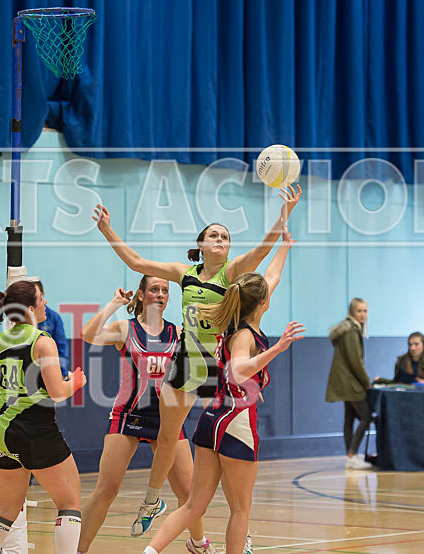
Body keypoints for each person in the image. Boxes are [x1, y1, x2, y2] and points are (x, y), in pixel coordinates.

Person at [92, 184, 301, 537]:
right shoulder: (184, 273)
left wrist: (285, 215)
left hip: (219, 365)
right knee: (167, 437)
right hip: (186, 362)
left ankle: (242, 527)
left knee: (228, 439)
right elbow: (137, 262)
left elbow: (263, 251)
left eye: (225, 236)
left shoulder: (232, 272)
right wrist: (108, 230)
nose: (220, 239)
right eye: (213, 235)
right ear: (201, 245)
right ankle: (153, 501)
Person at [143, 231, 304, 554]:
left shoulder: (232, 322)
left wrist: (285, 246)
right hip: (237, 421)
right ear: (263, 303)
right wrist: (278, 349)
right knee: (240, 510)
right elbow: (239, 370)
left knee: (193, 506)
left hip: (211, 417)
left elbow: (270, 275)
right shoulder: (244, 333)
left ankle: (150, 551)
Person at [78, 277, 218, 554]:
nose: (161, 294)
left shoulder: (178, 334)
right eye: (154, 289)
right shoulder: (125, 329)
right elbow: (88, 334)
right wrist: (115, 304)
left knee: (188, 494)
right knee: (106, 489)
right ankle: (78, 550)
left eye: (165, 290)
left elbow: (205, 365)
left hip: (168, 419)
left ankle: (198, 544)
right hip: (128, 415)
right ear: (141, 295)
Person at [0, 280, 87, 554]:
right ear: (32, 308)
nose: (46, 303)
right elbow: (57, 392)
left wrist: (10, 384)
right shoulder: (41, 341)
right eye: (42, 299)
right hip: (35, 431)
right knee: (70, 503)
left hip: (3, 434)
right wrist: (77, 384)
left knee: (6, 509)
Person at [325, 298, 374, 470]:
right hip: (351, 382)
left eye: (365, 311)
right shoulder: (352, 331)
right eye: (359, 311)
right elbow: (356, 362)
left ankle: (350, 456)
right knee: (366, 417)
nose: (363, 314)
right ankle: (352, 455)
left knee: (349, 418)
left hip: (343, 380)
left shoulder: (345, 329)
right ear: (352, 312)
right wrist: (366, 383)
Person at [35, 281, 69, 377]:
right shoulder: (20, 322)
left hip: (49, 374)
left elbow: (61, 348)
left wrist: (62, 373)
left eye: (41, 297)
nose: (44, 302)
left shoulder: (53, 318)